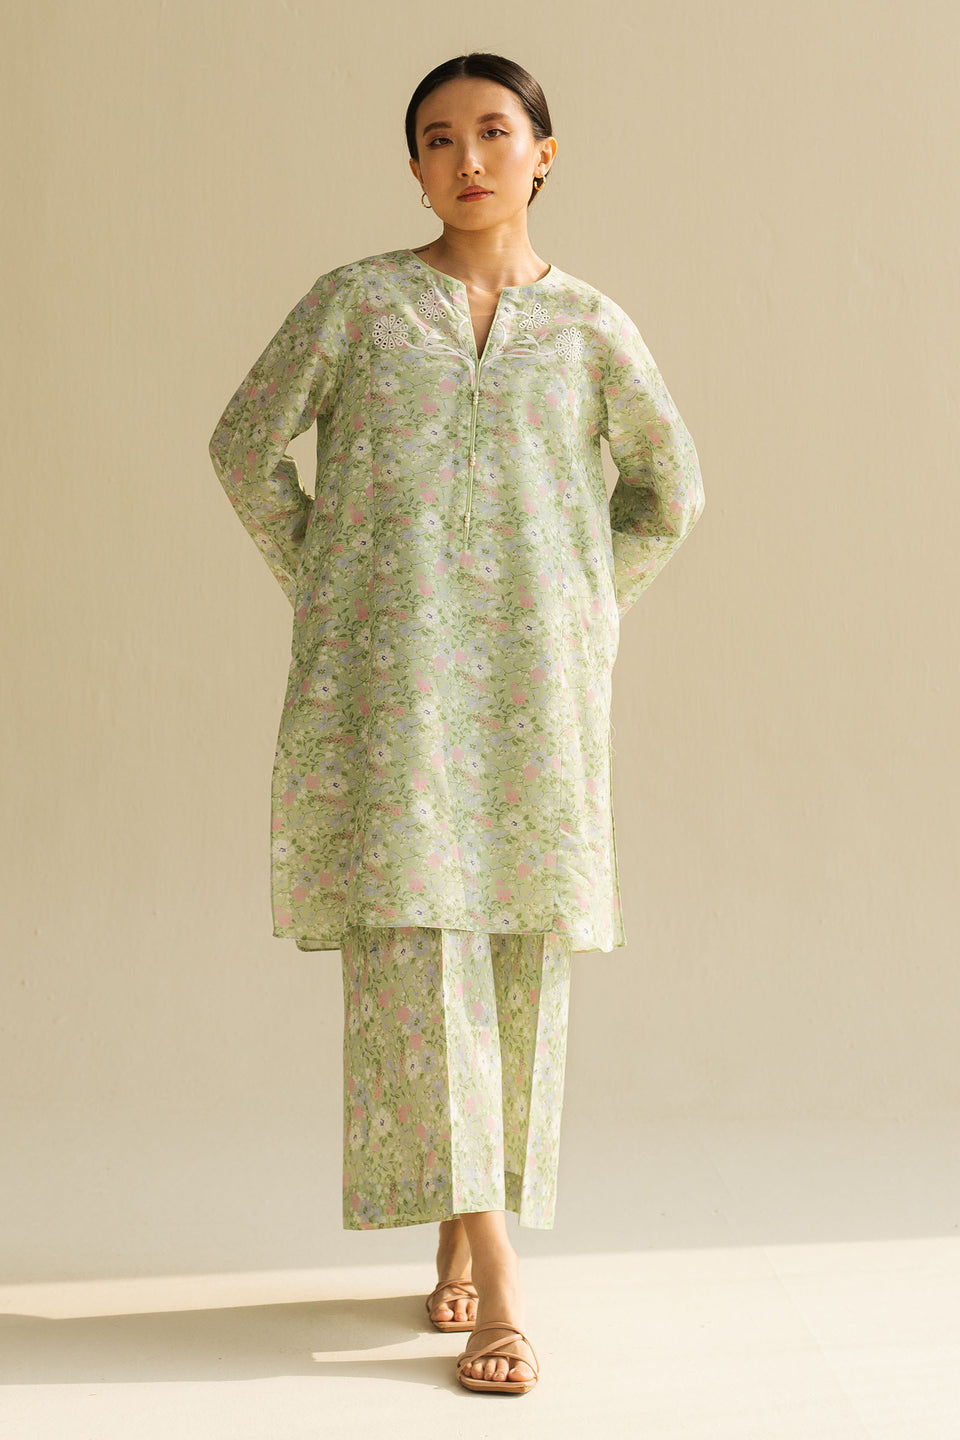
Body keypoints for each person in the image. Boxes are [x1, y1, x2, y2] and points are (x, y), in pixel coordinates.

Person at [207, 51, 705, 1397]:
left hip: (536, 694)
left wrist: (582, 603)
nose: (468, 158)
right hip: (393, 693)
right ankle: (500, 1274)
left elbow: (669, 492)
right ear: (415, 166)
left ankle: (459, 1222)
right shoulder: (358, 306)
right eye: (438, 138)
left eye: (493, 131)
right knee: (417, 951)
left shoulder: (590, 327)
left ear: (545, 152)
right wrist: (337, 584)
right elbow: (246, 446)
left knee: (518, 958)